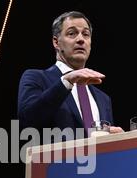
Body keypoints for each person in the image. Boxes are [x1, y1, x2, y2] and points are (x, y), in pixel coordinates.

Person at [17, 11, 124, 142]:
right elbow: (27, 121)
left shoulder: (103, 99)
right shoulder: (36, 78)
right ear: (56, 42)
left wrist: (120, 141)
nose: (80, 39)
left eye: (86, 34)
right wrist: (66, 81)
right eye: (72, 33)